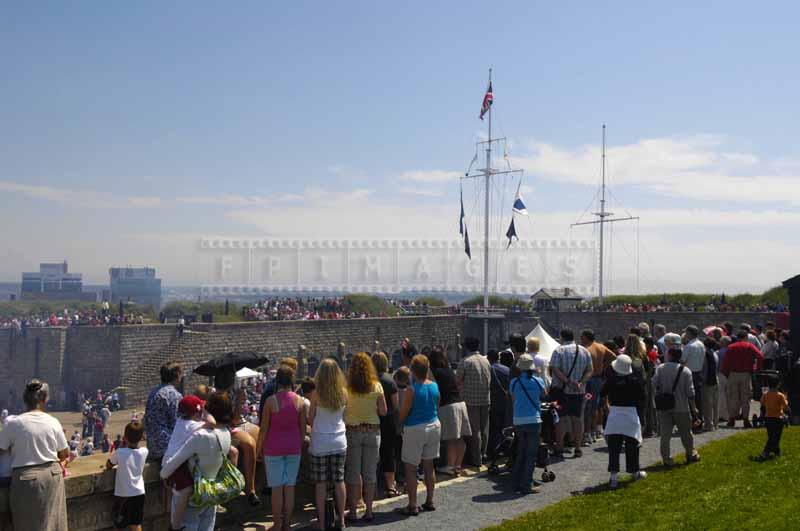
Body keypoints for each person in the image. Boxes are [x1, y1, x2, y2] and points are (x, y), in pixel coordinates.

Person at [0, 380, 70, 531]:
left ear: (25, 400)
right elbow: (65, 453)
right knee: (54, 525)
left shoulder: (14, 424)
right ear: (45, 400)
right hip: (53, 476)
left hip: (26, 479)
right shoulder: (53, 422)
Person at [160, 391, 234, 531]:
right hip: (210, 493)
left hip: (193, 497)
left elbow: (175, 461)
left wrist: (163, 474)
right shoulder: (226, 434)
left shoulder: (200, 435)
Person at [256, 365, 306, 531]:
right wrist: (297, 444)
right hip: (293, 448)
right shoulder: (300, 401)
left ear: (277, 380)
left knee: (276, 488)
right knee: (290, 487)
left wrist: (258, 449)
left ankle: (277, 524)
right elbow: (303, 429)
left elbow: (263, 429)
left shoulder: (271, 401)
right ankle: (287, 523)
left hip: (273, 448)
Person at [343, 352, 386, 522]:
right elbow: (383, 411)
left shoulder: (348, 387)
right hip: (372, 431)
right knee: (370, 473)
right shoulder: (376, 386)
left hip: (353, 431)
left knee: (353, 473)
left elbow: (343, 410)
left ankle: (353, 511)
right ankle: (369, 510)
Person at [162, 395, 215, 531]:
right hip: (175, 465)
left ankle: (174, 521)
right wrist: (206, 411)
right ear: (196, 412)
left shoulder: (181, 421)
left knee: (178, 493)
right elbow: (212, 423)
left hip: (171, 461)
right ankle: (175, 526)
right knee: (186, 490)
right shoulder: (190, 426)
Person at [398, 354, 441, 516]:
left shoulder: (412, 390)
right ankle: (430, 500)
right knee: (429, 466)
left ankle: (412, 504)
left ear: (413, 371)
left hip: (415, 428)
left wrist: (399, 424)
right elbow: (436, 405)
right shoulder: (434, 386)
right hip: (433, 425)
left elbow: (404, 412)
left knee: (410, 467)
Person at [308, 359, 348, 531]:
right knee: (339, 480)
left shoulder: (316, 394)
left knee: (321, 483)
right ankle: (342, 521)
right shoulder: (344, 393)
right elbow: (344, 416)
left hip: (321, 441)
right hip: (339, 439)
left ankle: (322, 523)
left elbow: (310, 419)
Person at [652, 341, 701, 466]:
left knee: (665, 435)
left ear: (669, 355)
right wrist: (694, 408)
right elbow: (690, 393)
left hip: (664, 406)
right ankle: (690, 454)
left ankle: (667, 459)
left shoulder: (660, 368)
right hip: (681, 406)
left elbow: (654, 384)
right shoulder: (686, 371)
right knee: (686, 434)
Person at [602, 355, 647, 488]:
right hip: (630, 414)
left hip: (615, 414)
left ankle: (613, 477)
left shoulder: (611, 380)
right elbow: (642, 398)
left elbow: (602, 393)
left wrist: (607, 404)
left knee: (614, 447)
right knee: (632, 445)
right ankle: (634, 471)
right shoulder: (634, 380)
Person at [549, 329, 593, 458]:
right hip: (579, 391)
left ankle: (559, 447)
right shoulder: (584, 351)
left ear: (562, 337)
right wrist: (581, 382)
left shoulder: (559, 350)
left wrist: (567, 381)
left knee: (561, 419)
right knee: (577, 419)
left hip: (561, 390)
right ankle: (578, 448)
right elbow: (590, 370)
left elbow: (555, 369)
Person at [430, 346, 471, 476]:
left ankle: (450, 466)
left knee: (451, 439)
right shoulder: (448, 370)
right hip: (460, 404)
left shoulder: (433, 371)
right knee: (460, 438)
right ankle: (458, 465)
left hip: (448, 406)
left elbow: (435, 392)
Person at [508, 354, 544, 494]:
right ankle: (526, 484)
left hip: (518, 420)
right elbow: (543, 394)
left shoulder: (514, 382)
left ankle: (516, 482)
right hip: (534, 420)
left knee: (521, 451)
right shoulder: (538, 381)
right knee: (531, 454)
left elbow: (513, 399)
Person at [106, 422, 148, 531]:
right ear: (142, 436)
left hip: (123, 494)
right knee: (136, 524)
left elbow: (109, 464)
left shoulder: (120, 452)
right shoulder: (144, 451)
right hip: (139, 493)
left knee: (120, 524)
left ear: (125, 437)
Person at [457, 336, 491, 468]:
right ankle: (484, 454)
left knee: (475, 431)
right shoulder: (486, 360)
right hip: (485, 398)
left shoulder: (465, 362)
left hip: (471, 400)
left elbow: (457, 381)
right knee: (484, 430)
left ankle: (477, 459)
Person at [720, 330, 764, 428]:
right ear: (746, 337)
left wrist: (727, 373)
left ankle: (732, 418)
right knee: (745, 398)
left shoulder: (731, 347)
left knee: (733, 397)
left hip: (733, 374)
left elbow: (725, 362)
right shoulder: (749, 346)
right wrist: (756, 369)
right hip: (745, 374)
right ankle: (745, 419)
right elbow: (760, 356)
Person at [372, 351, 400, 497]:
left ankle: (372, 488)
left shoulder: (370, 381)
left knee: (372, 455)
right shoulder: (390, 380)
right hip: (388, 421)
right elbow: (395, 405)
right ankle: (390, 486)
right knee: (389, 453)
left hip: (373, 420)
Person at [580, 329, 616, 441]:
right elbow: (613, 356)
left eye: (582, 336)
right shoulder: (601, 347)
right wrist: (603, 366)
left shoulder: (585, 349)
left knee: (586, 407)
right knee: (595, 406)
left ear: (586, 337)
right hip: (598, 380)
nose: (580, 338)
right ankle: (594, 432)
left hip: (588, 381)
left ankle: (587, 433)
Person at [144, 362, 183, 461]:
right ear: (177, 375)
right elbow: (177, 424)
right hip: (167, 448)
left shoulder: (153, 392)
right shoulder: (175, 395)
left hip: (152, 446)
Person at [755, 376, 788, 460]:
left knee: (772, 436)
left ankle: (777, 452)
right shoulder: (780, 395)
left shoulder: (766, 395)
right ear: (778, 385)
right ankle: (765, 452)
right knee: (775, 437)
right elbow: (786, 406)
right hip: (778, 418)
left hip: (768, 418)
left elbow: (762, 403)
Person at [681, 326, 707, 426]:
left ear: (690, 333)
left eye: (686, 333)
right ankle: (699, 420)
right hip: (698, 373)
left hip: (690, 373)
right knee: (698, 399)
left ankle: (694, 421)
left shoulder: (689, 346)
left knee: (690, 399)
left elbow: (682, 360)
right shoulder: (701, 344)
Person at [486, 349, 509, 459]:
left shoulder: (489, 369)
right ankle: (504, 449)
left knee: (493, 428)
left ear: (488, 358)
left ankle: (493, 450)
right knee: (503, 427)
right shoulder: (507, 369)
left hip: (493, 402)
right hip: (506, 402)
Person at [702, 338, 720, 431]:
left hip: (708, 381)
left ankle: (709, 424)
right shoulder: (715, 354)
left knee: (707, 404)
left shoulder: (705, 354)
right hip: (716, 380)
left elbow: (704, 368)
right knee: (715, 403)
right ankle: (716, 423)